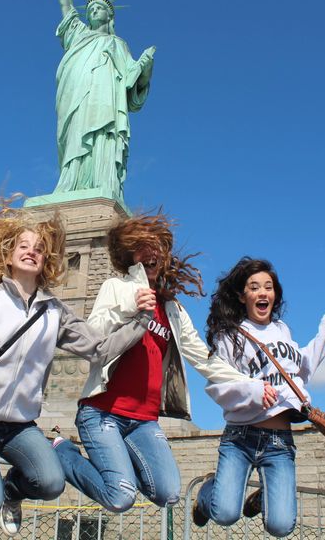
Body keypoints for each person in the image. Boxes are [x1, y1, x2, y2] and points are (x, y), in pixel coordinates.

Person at [0, 201, 148, 536]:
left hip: (20, 426)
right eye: (23, 246)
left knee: (50, 483)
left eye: (39, 249)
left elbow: (100, 349)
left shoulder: (55, 312)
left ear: (47, 260)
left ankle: (12, 491)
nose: (31, 252)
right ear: (9, 255)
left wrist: (142, 320)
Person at [53, 214, 274, 513]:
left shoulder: (172, 308)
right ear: (130, 255)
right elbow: (94, 334)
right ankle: (62, 451)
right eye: (141, 247)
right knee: (121, 496)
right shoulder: (117, 287)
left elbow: (202, 357)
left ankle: (120, 473)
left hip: (144, 420)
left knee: (169, 494)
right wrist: (129, 308)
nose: (150, 253)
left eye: (156, 247)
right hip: (103, 412)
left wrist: (249, 383)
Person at [192, 258, 325, 537]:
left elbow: (301, 372)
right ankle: (208, 491)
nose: (263, 293)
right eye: (254, 287)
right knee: (224, 514)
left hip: (279, 442)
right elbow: (218, 387)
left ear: (275, 294)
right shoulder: (229, 335)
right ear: (241, 295)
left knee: (281, 527)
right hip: (240, 437)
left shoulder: (283, 330)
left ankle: (264, 497)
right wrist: (254, 391)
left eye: (268, 287)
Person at [50, 0, 156, 201]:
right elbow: (66, 5)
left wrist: (146, 68)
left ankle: (103, 182)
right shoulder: (79, 35)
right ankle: (71, 183)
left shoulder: (119, 44)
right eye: (91, 8)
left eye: (99, 8)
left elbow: (134, 87)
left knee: (103, 137)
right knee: (76, 136)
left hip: (106, 104)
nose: (93, 11)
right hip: (77, 97)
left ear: (110, 15)